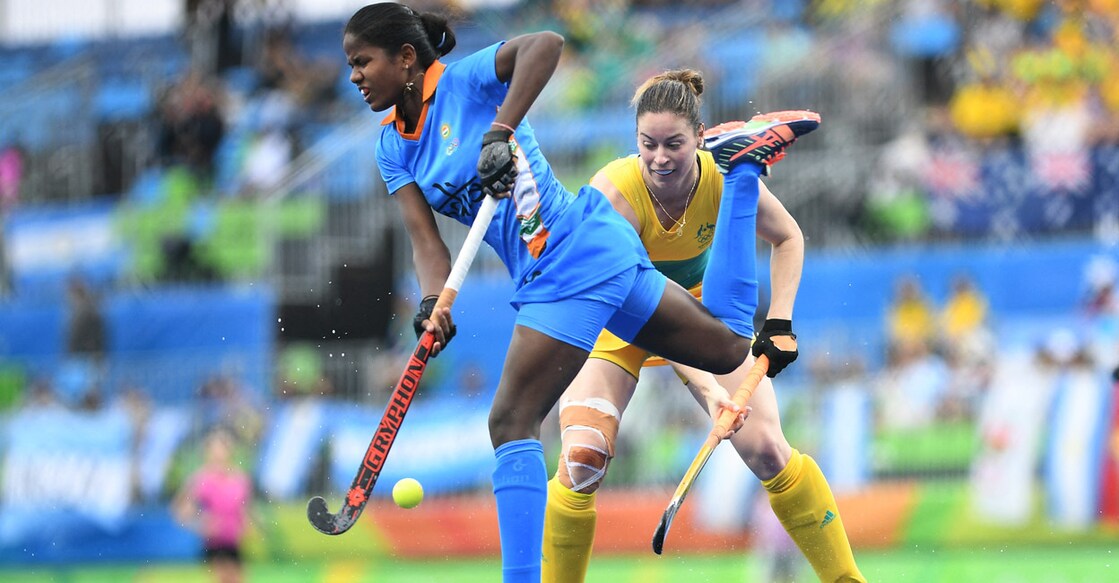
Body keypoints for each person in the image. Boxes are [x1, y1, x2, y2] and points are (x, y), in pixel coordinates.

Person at [342, 5, 816, 580]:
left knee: (511, 421)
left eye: (363, 61)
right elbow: (428, 245)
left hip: (567, 253)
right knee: (728, 349)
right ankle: (740, 173)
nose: (355, 76)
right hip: (590, 258)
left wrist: (500, 131)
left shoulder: (467, 81)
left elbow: (545, 43)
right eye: (349, 65)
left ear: (407, 58)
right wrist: (430, 303)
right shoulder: (392, 149)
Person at [540, 70, 865, 582]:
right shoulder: (614, 196)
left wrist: (780, 320)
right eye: (647, 144)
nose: (660, 157)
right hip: (619, 319)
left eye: (674, 143)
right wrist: (711, 391)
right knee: (582, 458)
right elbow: (651, 318)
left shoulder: (720, 171)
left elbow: (788, 238)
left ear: (700, 137)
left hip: (703, 318)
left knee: (767, 450)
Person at [172, 428, 252, 583]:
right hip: (213, 544)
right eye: (215, 449)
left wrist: (248, 524)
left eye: (223, 448)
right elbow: (180, 511)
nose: (219, 453)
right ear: (207, 452)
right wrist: (200, 524)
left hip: (234, 543)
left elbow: (245, 510)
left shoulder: (240, 479)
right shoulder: (201, 479)